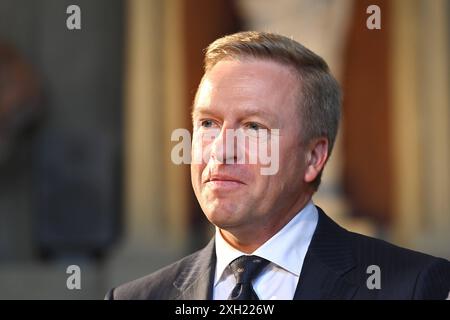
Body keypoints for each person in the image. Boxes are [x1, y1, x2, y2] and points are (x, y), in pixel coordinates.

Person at [106, 31, 450, 300]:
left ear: (313, 158)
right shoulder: (134, 297)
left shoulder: (414, 287)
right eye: (208, 124)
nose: (221, 150)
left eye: (254, 127)